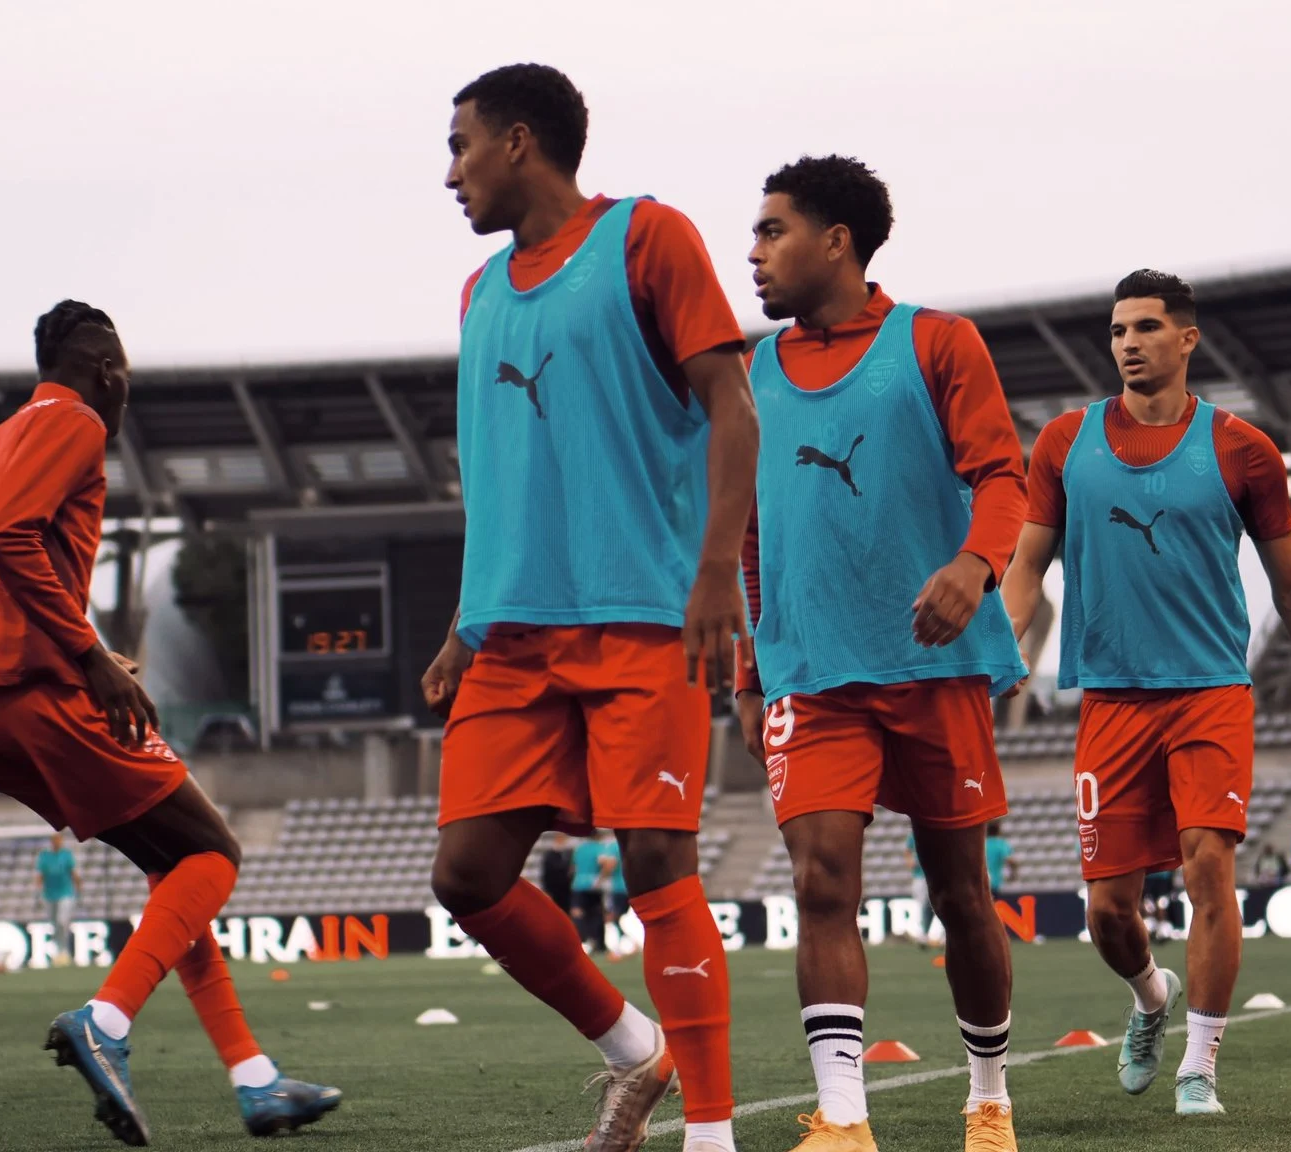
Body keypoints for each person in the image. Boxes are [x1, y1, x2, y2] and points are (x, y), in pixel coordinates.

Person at [422, 63, 759, 1152]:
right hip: (512, 638)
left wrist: (715, 575)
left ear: (519, 142)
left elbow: (731, 405)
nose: (450, 172)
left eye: (460, 144)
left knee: (656, 865)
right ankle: (632, 1050)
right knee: (465, 876)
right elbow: (503, 473)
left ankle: (711, 1134)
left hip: (637, 617)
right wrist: (463, 624)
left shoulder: (647, 238)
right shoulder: (476, 294)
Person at [0, 300, 339, 1144]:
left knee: (172, 872)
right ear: (106, 369)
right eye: (125, 373)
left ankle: (255, 1080)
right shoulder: (74, 423)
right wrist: (88, 652)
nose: (125, 388)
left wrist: (35, 641)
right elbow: (9, 538)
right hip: (36, 692)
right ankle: (105, 1022)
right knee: (215, 852)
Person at [1001, 270, 1291, 1117]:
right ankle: (1150, 998)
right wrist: (1004, 645)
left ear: (1187, 338)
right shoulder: (1064, 441)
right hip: (1111, 701)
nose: (1128, 342)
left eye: (1146, 327)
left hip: (1210, 692)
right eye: (1118, 329)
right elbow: (1027, 564)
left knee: (1210, 866)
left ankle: (1199, 1063)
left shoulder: (1244, 449)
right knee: (1107, 913)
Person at [735, 155, 1028, 1152]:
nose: (754, 250)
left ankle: (987, 1094)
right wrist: (748, 664)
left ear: (836, 242)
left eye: (772, 230)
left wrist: (974, 565)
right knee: (820, 881)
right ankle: (843, 1119)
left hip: (932, 666)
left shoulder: (937, 342)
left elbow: (1001, 476)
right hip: (810, 674)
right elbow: (748, 531)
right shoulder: (751, 373)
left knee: (959, 891)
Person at [37, 833, 81, 963]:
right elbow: (40, 874)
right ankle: (58, 951)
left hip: (66, 893)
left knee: (62, 921)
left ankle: (64, 950)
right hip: (49, 894)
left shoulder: (66, 855)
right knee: (55, 924)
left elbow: (73, 872)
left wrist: (78, 885)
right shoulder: (44, 856)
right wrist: (38, 891)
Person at [985, 822, 1019, 898]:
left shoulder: (982, 844)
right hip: (994, 883)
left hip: (980, 883)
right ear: (999, 831)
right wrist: (1013, 874)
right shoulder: (1001, 844)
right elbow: (1011, 861)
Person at [540, 833, 576, 902]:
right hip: (554, 886)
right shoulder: (550, 854)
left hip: (567, 887)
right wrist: (546, 889)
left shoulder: (569, 853)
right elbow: (547, 872)